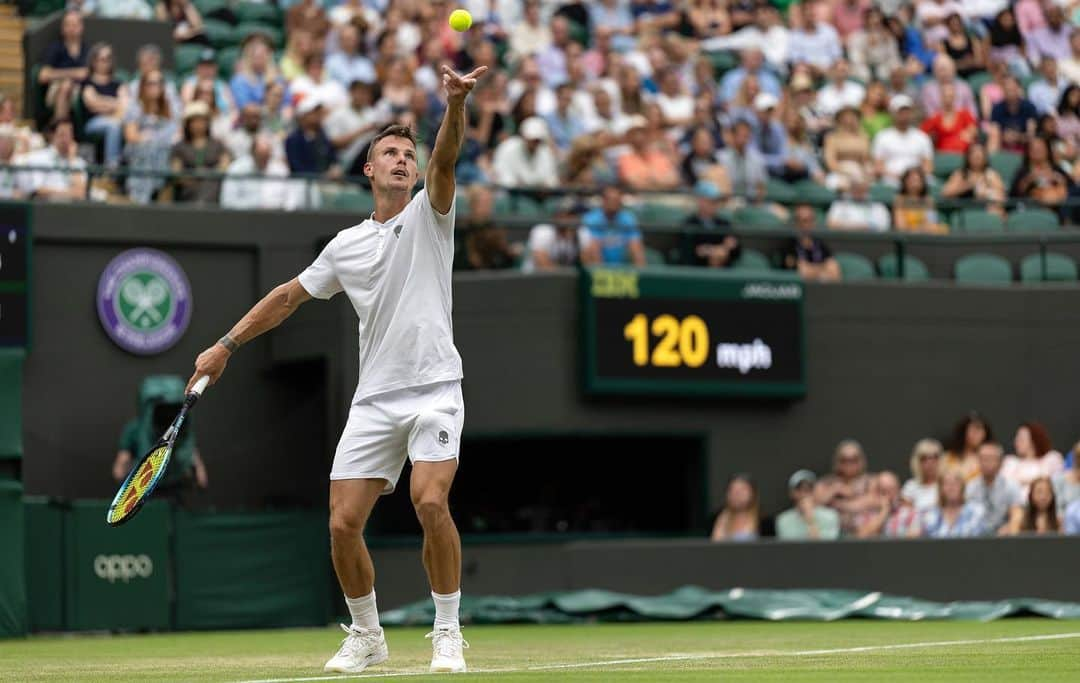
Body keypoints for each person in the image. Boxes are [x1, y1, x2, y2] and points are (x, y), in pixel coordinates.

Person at [187, 64, 489, 675]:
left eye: (409, 152)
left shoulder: (432, 212)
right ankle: (368, 636)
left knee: (429, 500)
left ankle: (448, 631)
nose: (404, 160)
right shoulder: (345, 245)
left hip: (435, 389)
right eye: (391, 154)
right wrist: (225, 345)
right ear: (369, 170)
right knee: (343, 523)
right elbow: (287, 298)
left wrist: (454, 106)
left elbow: (447, 160)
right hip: (374, 399)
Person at [112, 375, 208, 502]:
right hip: (146, 498)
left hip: (176, 498)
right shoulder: (134, 430)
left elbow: (201, 478)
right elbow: (119, 471)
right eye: (162, 409)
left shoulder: (184, 433)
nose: (167, 414)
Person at [123, 70, 179, 204]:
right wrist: (146, 137)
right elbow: (130, 136)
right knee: (149, 147)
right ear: (143, 86)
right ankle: (141, 196)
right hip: (139, 151)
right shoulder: (135, 107)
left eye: (160, 83)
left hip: (164, 150)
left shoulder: (169, 108)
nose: (156, 87)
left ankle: (159, 189)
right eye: (151, 83)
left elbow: (177, 132)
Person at [325, 81, 391, 177]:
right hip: (347, 160)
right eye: (359, 93)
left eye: (365, 93)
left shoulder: (372, 113)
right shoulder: (339, 114)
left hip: (370, 159)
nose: (362, 96)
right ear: (351, 93)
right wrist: (362, 131)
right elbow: (334, 143)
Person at [221, 135, 304, 211]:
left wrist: (285, 212)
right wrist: (256, 205)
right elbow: (228, 202)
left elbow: (292, 196)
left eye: (267, 156)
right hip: (245, 219)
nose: (264, 160)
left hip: (278, 218)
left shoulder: (280, 169)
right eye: (260, 156)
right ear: (252, 153)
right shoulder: (237, 169)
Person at [169, 101, 230, 204]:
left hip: (214, 193)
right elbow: (177, 173)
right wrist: (194, 177)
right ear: (188, 124)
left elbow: (224, 166)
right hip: (187, 195)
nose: (198, 124)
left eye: (202, 120)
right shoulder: (179, 147)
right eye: (194, 121)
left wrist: (207, 175)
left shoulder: (218, 145)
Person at [80, 42, 128, 168]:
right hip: (92, 123)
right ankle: (112, 168)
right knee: (114, 126)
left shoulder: (118, 82)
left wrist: (103, 103)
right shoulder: (87, 82)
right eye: (101, 59)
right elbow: (92, 103)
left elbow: (125, 104)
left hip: (118, 119)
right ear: (94, 61)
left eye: (108, 59)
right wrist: (114, 103)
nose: (104, 62)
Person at [814, 439, 875, 536]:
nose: (849, 464)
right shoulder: (827, 482)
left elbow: (872, 501)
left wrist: (839, 504)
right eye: (844, 460)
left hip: (863, 534)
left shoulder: (870, 481)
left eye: (854, 459)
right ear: (837, 461)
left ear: (861, 460)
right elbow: (815, 504)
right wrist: (834, 490)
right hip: (831, 534)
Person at [38, 10, 89, 124]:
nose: (71, 28)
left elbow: (88, 74)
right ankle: (60, 127)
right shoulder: (55, 48)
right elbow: (43, 75)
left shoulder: (87, 50)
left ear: (81, 27)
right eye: (68, 25)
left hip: (82, 91)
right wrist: (73, 73)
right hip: (56, 88)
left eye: (75, 25)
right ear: (62, 28)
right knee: (65, 86)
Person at [17, 119, 87, 200]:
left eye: (69, 135)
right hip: (46, 207)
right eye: (62, 134)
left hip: (73, 209)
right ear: (52, 136)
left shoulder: (78, 162)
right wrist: (69, 193)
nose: (66, 139)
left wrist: (72, 160)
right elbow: (38, 190)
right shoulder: (39, 157)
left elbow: (81, 193)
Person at [872, 95, 934, 185]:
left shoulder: (922, 137)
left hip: (917, 180)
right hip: (891, 179)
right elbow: (878, 166)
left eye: (907, 111)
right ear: (892, 113)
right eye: (901, 112)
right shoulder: (882, 137)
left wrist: (914, 177)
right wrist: (898, 176)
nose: (904, 115)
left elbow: (928, 166)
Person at [965, 441, 1024, 534]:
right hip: (976, 537)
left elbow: (1017, 514)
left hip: (1003, 537)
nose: (986, 463)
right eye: (983, 458)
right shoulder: (970, 487)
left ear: (1001, 462)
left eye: (991, 458)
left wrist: (1010, 527)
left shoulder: (1011, 486)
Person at [580, 184, 646, 267]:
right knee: (589, 251)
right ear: (603, 200)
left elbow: (636, 248)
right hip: (598, 268)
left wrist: (640, 274)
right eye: (610, 199)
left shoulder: (628, 219)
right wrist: (602, 275)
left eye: (617, 200)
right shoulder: (591, 219)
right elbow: (594, 251)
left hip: (622, 268)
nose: (614, 203)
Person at [1001, 421, 1065, 498]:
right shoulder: (1010, 462)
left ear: (1034, 439)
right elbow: (1005, 485)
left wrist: (1022, 481)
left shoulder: (1052, 458)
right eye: (1016, 438)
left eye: (1021, 439)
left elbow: (1054, 482)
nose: (1016, 442)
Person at [616, 115, 681, 191]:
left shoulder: (659, 156)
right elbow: (632, 183)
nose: (639, 137)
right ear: (629, 137)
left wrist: (651, 180)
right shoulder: (624, 159)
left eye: (643, 133)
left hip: (662, 197)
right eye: (635, 134)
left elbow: (674, 180)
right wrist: (659, 180)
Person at [491, 116, 559, 189]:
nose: (534, 143)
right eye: (532, 139)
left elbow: (551, 179)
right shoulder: (507, 148)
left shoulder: (546, 152)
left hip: (539, 196)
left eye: (537, 140)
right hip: (511, 194)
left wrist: (545, 186)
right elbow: (501, 175)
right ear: (523, 136)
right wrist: (515, 183)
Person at [683, 180, 738, 267]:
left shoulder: (724, 224)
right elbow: (687, 252)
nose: (714, 205)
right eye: (710, 201)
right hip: (698, 272)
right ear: (700, 201)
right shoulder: (689, 223)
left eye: (716, 202)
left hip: (724, 272)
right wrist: (710, 252)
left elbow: (735, 250)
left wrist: (730, 247)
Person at [285, 96, 341, 180]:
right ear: (303, 115)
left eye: (319, 112)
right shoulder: (293, 139)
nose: (318, 115)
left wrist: (335, 169)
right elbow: (296, 168)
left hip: (326, 183)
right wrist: (322, 176)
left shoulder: (323, 136)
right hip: (303, 184)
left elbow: (333, 158)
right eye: (314, 112)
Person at [775, 469, 841, 540]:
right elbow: (788, 548)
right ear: (792, 493)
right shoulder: (783, 520)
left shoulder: (831, 516)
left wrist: (810, 520)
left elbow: (825, 548)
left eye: (809, 489)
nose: (804, 494)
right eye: (799, 489)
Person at [920, 471, 988, 538]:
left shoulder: (976, 511)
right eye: (946, 483)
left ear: (962, 487)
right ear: (940, 489)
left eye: (955, 483)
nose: (951, 487)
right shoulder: (930, 514)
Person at [783, 203, 841, 282]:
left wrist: (811, 270)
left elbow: (833, 269)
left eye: (810, 220)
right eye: (802, 220)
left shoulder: (820, 244)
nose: (806, 224)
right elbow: (800, 270)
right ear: (796, 223)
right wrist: (822, 270)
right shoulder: (788, 245)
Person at [524, 197, 584, 271]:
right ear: (557, 216)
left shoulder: (581, 232)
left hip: (566, 279)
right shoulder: (543, 231)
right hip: (534, 278)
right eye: (569, 215)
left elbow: (590, 263)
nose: (573, 219)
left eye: (576, 215)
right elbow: (543, 266)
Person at [941, 142, 1006, 212]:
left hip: (985, 209)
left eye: (980, 155)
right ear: (968, 157)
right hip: (963, 210)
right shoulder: (960, 174)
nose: (977, 156)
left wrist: (987, 193)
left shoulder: (991, 174)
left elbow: (1001, 196)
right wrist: (967, 185)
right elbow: (945, 193)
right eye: (974, 154)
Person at [856, 471, 921, 538]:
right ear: (877, 492)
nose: (889, 496)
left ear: (898, 490)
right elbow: (861, 536)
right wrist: (884, 512)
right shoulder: (867, 514)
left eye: (892, 490)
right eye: (884, 491)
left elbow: (914, 538)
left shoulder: (910, 513)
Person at [1009, 136, 1070, 208]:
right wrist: (1029, 179)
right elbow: (1013, 194)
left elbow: (1071, 187)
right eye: (1034, 149)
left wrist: (1059, 179)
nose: (1037, 151)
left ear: (1047, 150)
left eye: (1040, 148)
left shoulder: (1056, 169)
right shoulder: (1023, 171)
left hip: (1058, 205)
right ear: (1028, 152)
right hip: (1031, 206)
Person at [823, 106, 872, 193]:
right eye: (846, 116)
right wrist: (845, 171)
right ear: (839, 119)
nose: (850, 119)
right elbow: (830, 161)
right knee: (842, 184)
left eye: (853, 115)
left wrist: (866, 173)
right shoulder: (832, 138)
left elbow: (866, 160)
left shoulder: (864, 137)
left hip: (859, 171)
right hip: (839, 171)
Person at [919, 82, 976, 154]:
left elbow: (973, 131)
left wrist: (969, 134)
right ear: (941, 97)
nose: (948, 99)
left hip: (963, 154)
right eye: (945, 96)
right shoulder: (935, 118)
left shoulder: (964, 114)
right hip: (943, 154)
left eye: (950, 96)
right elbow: (921, 133)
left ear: (955, 97)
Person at [720, 119, 766, 202]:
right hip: (729, 201)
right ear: (733, 136)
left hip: (752, 201)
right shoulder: (721, 158)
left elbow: (761, 187)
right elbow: (721, 187)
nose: (744, 139)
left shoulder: (757, 158)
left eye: (746, 136)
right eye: (740, 135)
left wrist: (758, 205)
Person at [988, 76, 1038, 154]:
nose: (1010, 92)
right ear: (1003, 90)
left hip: (1024, 143)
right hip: (1003, 142)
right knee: (993, 138)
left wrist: (1017, 137)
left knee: (1034, 142)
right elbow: (995, 131)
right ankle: (993, 161)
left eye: (1012, 89)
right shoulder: (997, 108)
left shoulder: (1029, 107)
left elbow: (1031, 134)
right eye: (1007, 89)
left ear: (1019, 89)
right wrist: (1004, 137)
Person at [825, 173, 890, 232]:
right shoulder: (840, 203)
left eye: (862, 188)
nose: (858, 190)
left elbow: (883, 226)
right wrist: (857, 227)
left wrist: (867, 227)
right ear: (851, 188)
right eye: (855, 187)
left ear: (867, 188)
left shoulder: (878, 205)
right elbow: (831, 224)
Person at [893, 167, 946, 234]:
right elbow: (900, 227)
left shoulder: (928, 200)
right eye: (911, 180)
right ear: (905, 181)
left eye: (917, 180)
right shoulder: (900, 200)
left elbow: (932, 223)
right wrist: (919, 228)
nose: (914, 183)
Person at [944, 411, 993, 481]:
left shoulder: (990, 458)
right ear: (964, 432)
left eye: (979, 429)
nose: (975, 434)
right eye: (971, 429)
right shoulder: (948, 457)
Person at [709, 474, 759, 542]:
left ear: (753, 492)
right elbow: (713, 545)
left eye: (742, 489)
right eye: (732, 490)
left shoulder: (763, 520)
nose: (737, 494)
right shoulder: (719, 517)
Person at [901, 438, 944, 513]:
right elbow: (906, 516)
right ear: (917, 462)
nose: (930, 462)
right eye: (924, 458)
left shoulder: (947, 485)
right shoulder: (910, 486)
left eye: (935, 457)